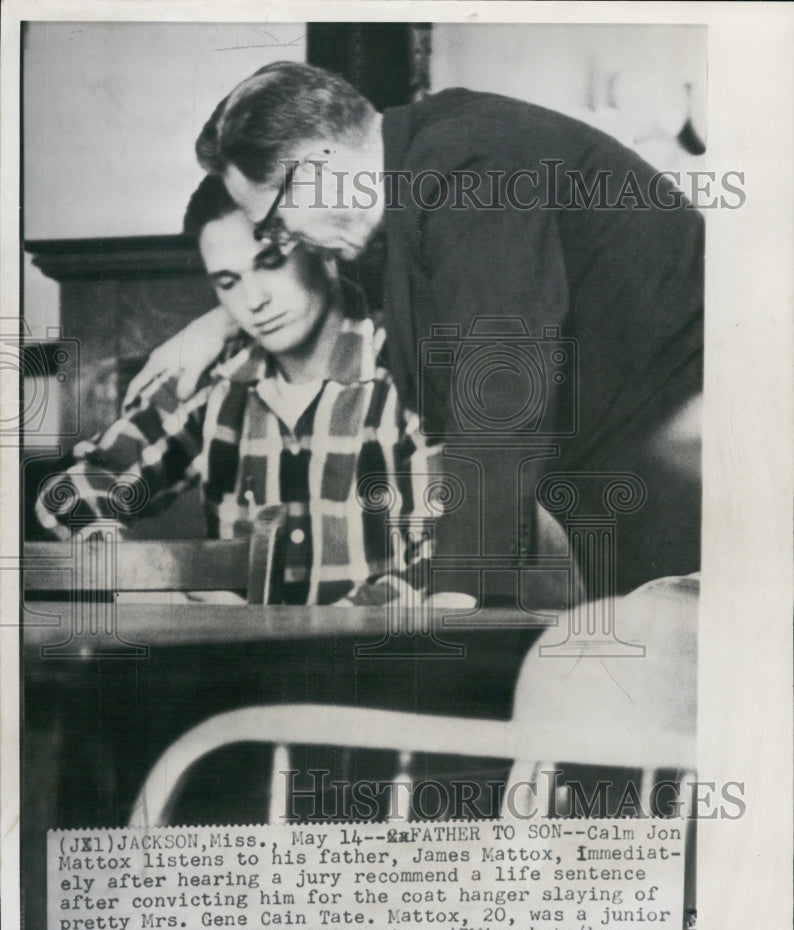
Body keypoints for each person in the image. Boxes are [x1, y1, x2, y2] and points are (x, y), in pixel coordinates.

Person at [127, 62, 704, 602]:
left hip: (692, 460)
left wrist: (464, 590)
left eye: (276, 226)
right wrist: (220, 322)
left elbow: (501, 380)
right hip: (639, 474)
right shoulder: (411, 174)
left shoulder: (462, 169)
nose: (287, 242)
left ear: (315, 171)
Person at [36, 174, 449, 606]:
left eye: (270, 262)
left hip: (373, 664)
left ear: (322, 249)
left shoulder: (407, 370)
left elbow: (443, 560)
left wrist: (316, 634)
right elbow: (71, 490)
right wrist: (145, 578)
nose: (253, 301)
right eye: (228, 282)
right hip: (235, 664)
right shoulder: (214, 376)